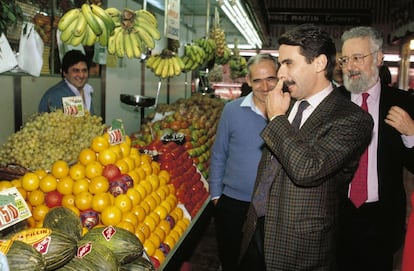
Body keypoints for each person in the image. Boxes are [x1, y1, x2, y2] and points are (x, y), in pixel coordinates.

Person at [238, 24, 374, 270]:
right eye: (281, 64)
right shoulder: (287, 103)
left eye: (288, 63)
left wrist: (277, 119)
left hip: (300, 244)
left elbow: (307, 169)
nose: (280, 73)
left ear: (320, 63)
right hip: (257, 228)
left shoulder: (351, 119)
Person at [336, 26, 414, 271]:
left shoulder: (405, 103)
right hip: (338, 217)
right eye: (345, 59)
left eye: (358, 58)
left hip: (383, 219)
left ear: (379, 58)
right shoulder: (332, 103)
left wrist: (411, 134)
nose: (350, 66)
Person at [208, 53, 278, 271]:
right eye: (257, 80)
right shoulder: (232, 111)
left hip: (273, 205)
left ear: (279, 78)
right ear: (248, 81)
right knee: (231, 259)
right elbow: (219, 153)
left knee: (265, 262)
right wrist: (217, 195)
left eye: (271, 79)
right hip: (234, 203)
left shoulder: (291, 111)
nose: (265, 86)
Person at [38, 50, 95, 114]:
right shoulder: (56, 95)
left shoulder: (87, 90)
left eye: (84, 71)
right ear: (64, 72)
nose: (81, 75)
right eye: (76, 70)